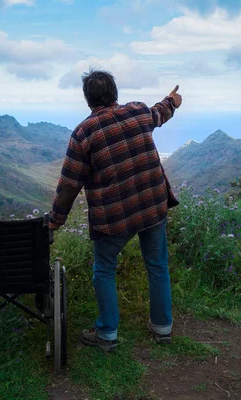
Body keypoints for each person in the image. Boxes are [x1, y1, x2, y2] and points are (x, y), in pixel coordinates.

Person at [48, 68, 182, 352]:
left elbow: (70, 184)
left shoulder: (84, 133)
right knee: (157, 265)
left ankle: (107, 334)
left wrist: (55, 220)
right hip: (151, 204)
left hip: (115, 216)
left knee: (104, 269)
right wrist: (172, 100)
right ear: (115, 94)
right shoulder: (136, 112)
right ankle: (162, 328)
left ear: (88, 100)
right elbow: (160, 112)